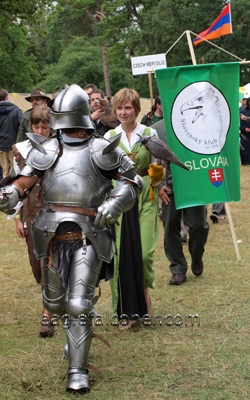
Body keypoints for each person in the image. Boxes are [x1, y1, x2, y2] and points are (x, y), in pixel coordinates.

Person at [0, 84, 143, 394]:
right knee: (55, 302)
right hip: (51, 234)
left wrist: (115, 201)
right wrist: (11, 192)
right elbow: (26, 179)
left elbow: (133, 181)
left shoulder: (102, 147)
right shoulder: (48, 148)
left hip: (89, 234)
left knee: (77, 303)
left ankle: (77, 369)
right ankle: (79, 328)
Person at [105, 88, 162, 329]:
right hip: (118, 197)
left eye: (128, 107)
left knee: (145, 253)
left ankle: (145, 298)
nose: (123, 112)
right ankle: (123, 310)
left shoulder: (149, 133)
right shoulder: (109, 136)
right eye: (119, 107)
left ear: (137, 110)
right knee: (120, 255)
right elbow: (103, 170)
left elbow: (159, 167)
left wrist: (159, 180)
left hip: (145, 195)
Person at [12, 106, 55, 337]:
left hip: (53, 214)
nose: (40, 130)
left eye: (44, 126)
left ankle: (47, 314)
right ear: (30, 127)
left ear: (51, 127)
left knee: (49, 264)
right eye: (36, 126)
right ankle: (53, 300)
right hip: (30, 215)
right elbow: (16, 187)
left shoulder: (59, 149)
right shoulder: (20, 150)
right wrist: (17, 218)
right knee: (35, 266)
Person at [152, 119, 209, 285]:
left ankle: (197, 256)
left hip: (194, 186)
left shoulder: (199, 124)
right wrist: (160, 185)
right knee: (170, 226)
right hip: (169, 188)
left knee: (199, 225)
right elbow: (152, 160)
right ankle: (177, 268)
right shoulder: (156, 130)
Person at [0, 89, 22, 178]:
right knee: (15, 171)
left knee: (5, 171)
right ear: (7, 97)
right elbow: (21, 128)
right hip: (14, 146)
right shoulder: (16, 110)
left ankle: (4, 190)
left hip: (1, 147)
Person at [240, 97, 250, 166]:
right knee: (244, 147)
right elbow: (240, 122)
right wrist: (244, 128)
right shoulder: (242, 111)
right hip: (244, 133)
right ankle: (245, 162)